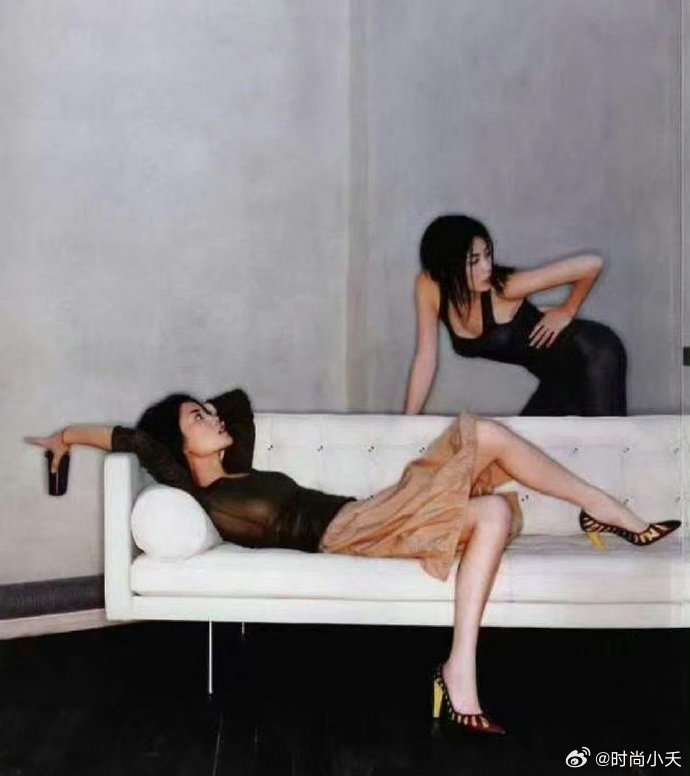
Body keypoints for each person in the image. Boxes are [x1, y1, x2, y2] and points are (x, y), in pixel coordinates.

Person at [26, 388, 679, 737]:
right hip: (349, 531)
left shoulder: (238, 466)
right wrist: (65, 438)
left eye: (208, 411)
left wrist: (207, 419)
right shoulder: (198, 493)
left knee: (494, 513)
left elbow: (237, 401)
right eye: (198, 417)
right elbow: (132, 439)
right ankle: (604, 511)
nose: (215, 415)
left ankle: (459, 667)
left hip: (367, 513)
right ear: (175, 445)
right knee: (486, 440)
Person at [405, 214, 628, 416]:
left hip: (593, 353)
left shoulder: (505, 287)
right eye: (474, 261)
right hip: (556, 376)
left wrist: (567, 310)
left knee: (605, 441)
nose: (487, 267)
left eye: (487, 255)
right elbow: (426, 358)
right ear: (446, 267)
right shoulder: (428, 286)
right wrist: (408, 421)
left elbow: (592, 264)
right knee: (527, 444)